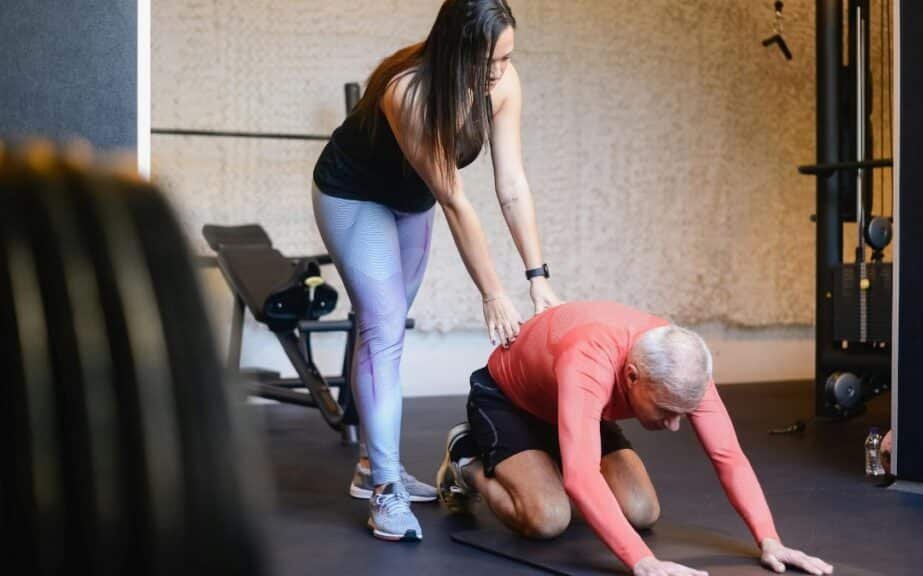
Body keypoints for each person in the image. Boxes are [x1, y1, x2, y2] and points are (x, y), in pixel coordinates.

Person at [312, 0, 560, 542]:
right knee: (384, 328)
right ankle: (384, 491)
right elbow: (456, 201)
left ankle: (367, 468)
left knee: (386, 328)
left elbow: (511, 184)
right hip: (355, 196)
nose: (499, 71)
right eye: (488, 60)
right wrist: (492, 293)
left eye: (506, 57)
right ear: (455, 49)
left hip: (412, 202)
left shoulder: (503, 81)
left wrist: (536, 276)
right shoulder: (411, 92)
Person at [436, 301, 834, 576]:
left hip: (574, 405)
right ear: (631, 377)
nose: (676, 426)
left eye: (684, 413)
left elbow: (728, 456)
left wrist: (770, 539)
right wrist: (642, 560)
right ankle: (467, 459)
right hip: (510, 399)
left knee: (641, 510)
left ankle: (544, 459)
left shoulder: (682, 369)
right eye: (666, 412)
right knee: (547, 518)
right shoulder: (590, 359)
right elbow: (581, 476)